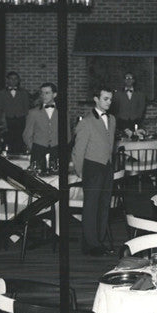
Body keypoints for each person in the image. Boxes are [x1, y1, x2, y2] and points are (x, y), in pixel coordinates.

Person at [72, 84, 117, 256]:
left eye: (110, 99)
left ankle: (98, 240)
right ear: (96, 99)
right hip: (92, 167)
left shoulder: (112, 119)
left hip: (107, 167)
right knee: (91, 207)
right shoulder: (87, 122)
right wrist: (81, 172)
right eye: (105, 99)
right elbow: (78, 150)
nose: (108, 102)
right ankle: (91, 245)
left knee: (104, 205)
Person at [22, 82, 61, 170]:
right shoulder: (33, 112)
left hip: (57, 151)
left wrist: (61, 148)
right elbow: (27, 134)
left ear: (54, 95)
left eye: (47, 93)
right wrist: (35, 148)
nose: (44, 95)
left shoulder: (63, 112)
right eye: (42, 93)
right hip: (38, 151)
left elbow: (67, 135)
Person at [0, 71, 31, 153]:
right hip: (7, 120)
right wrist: (0, 121)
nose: (13, 81)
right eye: (11, 79)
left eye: (15, 79)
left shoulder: (23, 92)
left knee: (20, 139)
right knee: (8, 140)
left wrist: (26, 121)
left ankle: (19, 155)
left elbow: (26, 108)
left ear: (18, 80)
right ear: (7, 80)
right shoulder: (1, 93)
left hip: (20, 120)